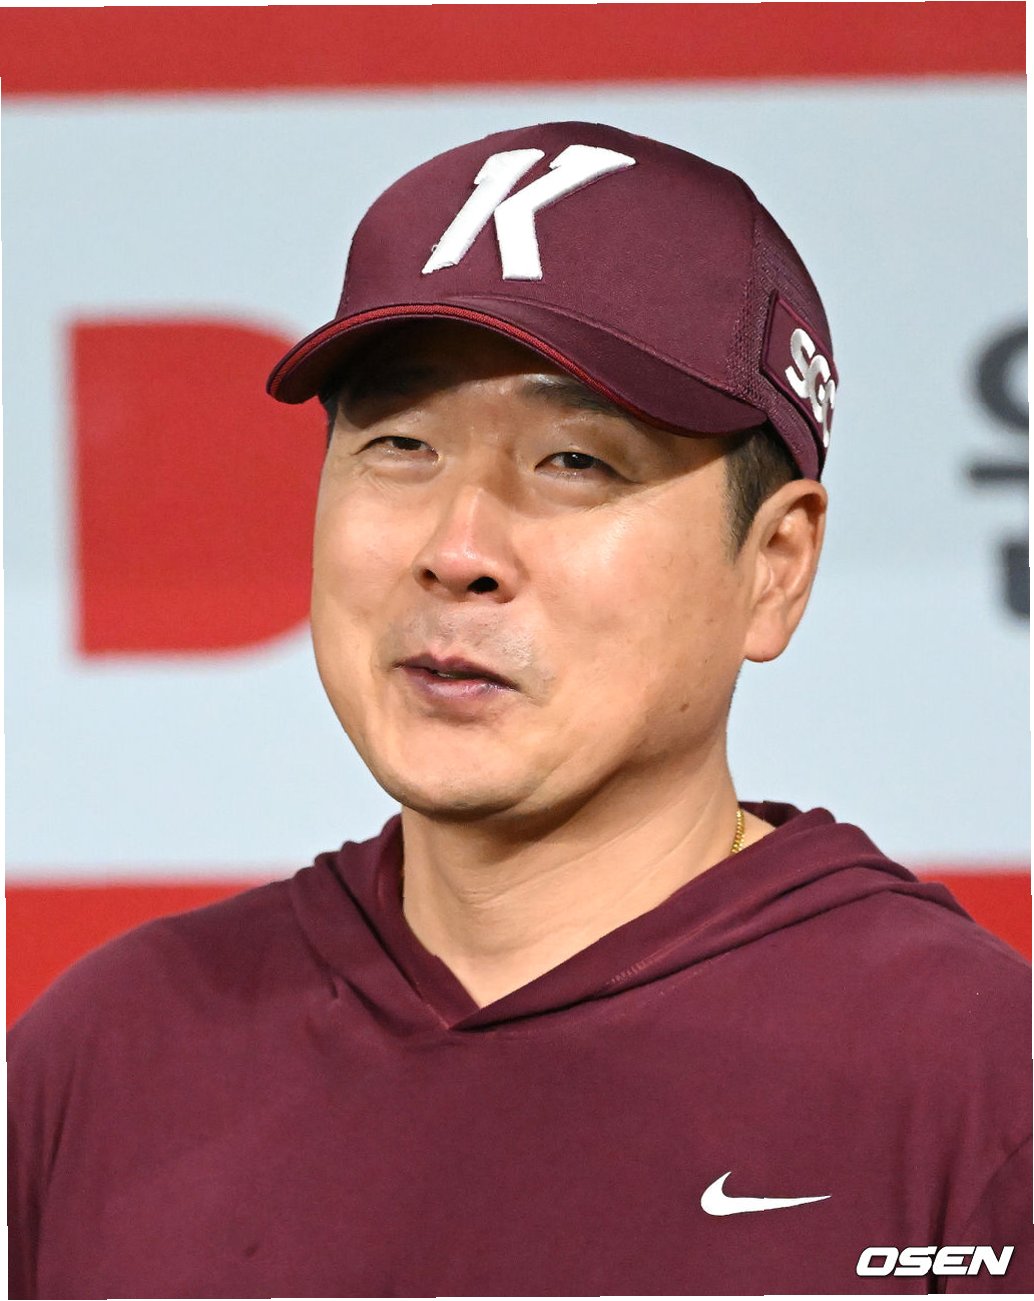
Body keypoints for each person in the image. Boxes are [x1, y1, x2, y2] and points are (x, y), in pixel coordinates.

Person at [8, 121, 1031, 1298]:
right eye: (401, 443)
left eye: (573, 462)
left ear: (774, 565)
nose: (457, 548)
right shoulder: (104, 1054)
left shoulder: (976, 1084)